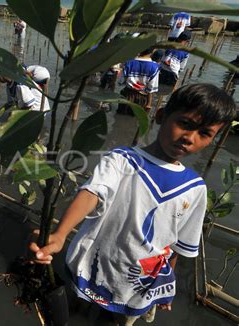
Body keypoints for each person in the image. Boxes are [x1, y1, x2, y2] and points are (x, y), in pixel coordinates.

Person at [30, 83, 236, 326]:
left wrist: (165, 285)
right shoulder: (122, 159)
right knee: (76, 308)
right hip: (93, 265)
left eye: (204, 134)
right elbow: (92, 192)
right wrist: (60, 234)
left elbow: (177, 246)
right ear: (161, 116)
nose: (189, 138)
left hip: (139, 284)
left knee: (120, 320)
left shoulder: (195, 189)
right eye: (185, 124)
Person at [117, 47, 160, 115]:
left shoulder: (129, 62)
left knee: (120, 117)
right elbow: (151, 88)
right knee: (135, 120)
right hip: (141, 98)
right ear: (152, 52)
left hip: (126, 95)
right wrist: (149, 104)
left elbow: (120, 81)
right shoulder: (155, 67)